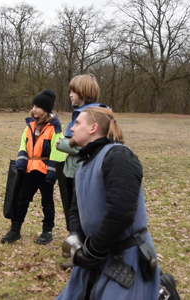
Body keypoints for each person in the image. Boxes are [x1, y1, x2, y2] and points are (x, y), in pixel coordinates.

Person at [57, 107, 162, 299]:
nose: (71, 128)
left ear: (93, 128)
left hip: (126, 258)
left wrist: (92, 250)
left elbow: (121, 212)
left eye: (77, 123)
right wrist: (78, 243)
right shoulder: (82, 164)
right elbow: (75, 210)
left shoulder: (118, 156)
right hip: (95, 257)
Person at [0, 90, 66, 245]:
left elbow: (58, 149)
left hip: (45, 172)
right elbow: (24, 143)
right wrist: (21, 161)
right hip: (29, 170)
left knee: (47, 202)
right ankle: (15, 230)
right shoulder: (29, 125)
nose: (34, 109)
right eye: (34, 105)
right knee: (21, 200)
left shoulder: (54, 128)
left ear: (47, 110)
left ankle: (47, 231)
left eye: (39, 106)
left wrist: (52, 170)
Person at [56, 74, 107, 269]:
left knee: (81, 213)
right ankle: (76, 249)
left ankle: (84, 253)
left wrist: (61, 144)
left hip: (83, 171)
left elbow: (83, 145)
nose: (70, 95)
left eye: (73, 91)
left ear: (83, 92)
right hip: (73, 171)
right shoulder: (82, 112)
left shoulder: (91, 114)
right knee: (74, 211)